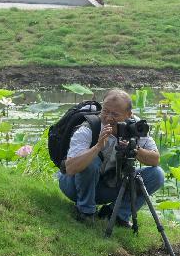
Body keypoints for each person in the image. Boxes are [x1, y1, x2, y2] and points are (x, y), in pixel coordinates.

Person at [57, 89, 164, 228]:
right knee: (92, 161)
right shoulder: (89, 127)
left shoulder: (135, 127)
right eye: (105, 111)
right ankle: (86, 211)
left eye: (115, 114)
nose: (108, 117)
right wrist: (97, 147)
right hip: (73, 186)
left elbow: (155, 160)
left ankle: (116, 214)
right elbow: (70, 168)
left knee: (157, 175)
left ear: (128, 115)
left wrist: (134, 150)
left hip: (109, 185)